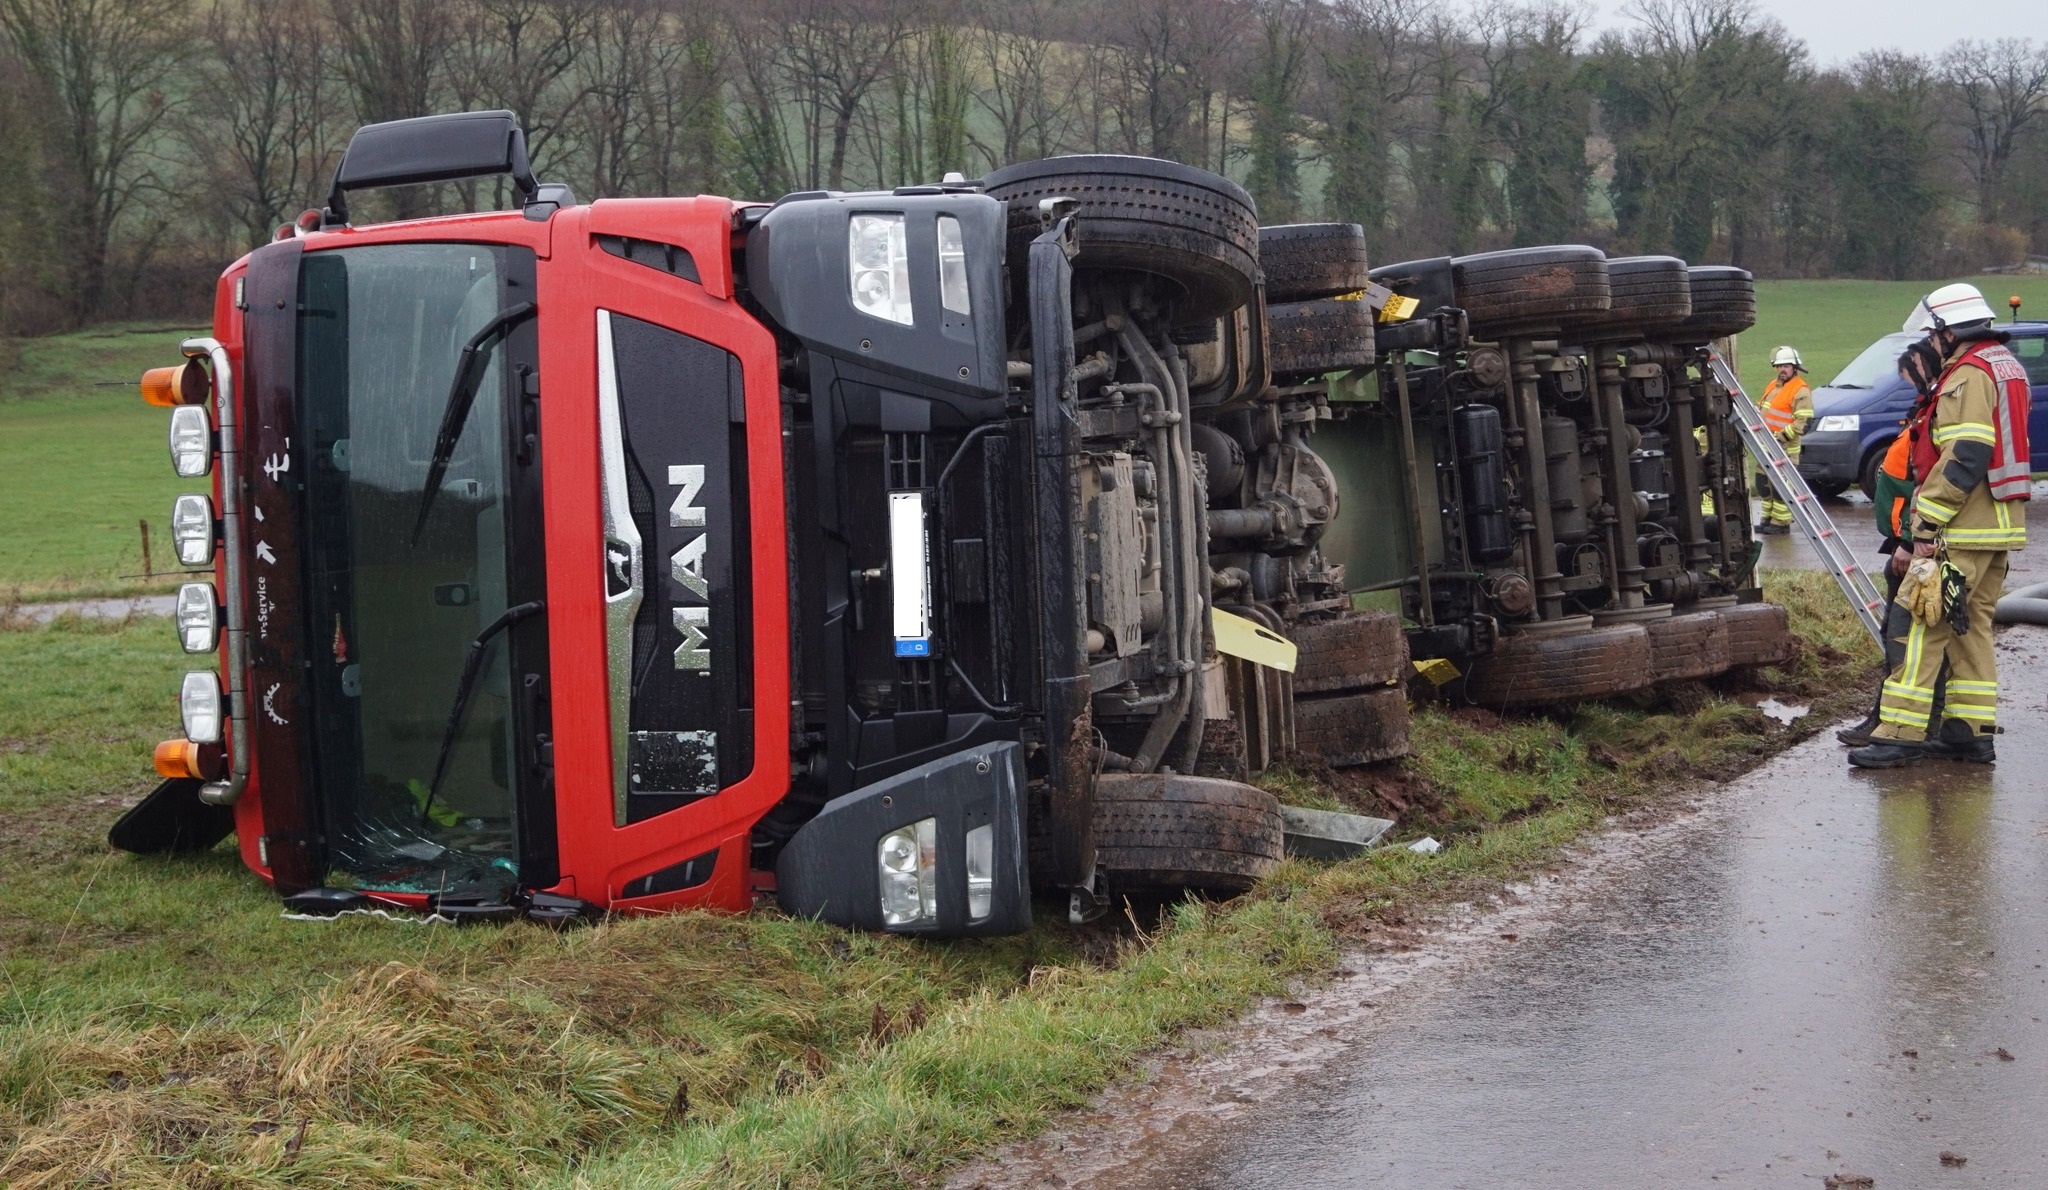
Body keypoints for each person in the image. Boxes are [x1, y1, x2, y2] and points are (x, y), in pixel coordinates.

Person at [1850, 283, 2030, 768]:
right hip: (1996, 526)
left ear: (1949, 331)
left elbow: (1965, 455)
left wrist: (1926, 523)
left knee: (1920, 623)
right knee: (1972, 629)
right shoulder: (2006, 367)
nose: (1931, 344)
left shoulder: (1968, 375)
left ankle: (1898, 735)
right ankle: (1967, 732)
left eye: (1933, 335)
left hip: (1962, 526)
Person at [1837, 338, 1947, 746]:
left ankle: (1896, 724)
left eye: (1912, 376)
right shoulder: (1925, 410)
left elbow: (1929, 484)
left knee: (1904, 635)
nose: (1911, 387)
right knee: (1903, 633)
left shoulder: (1938, 413)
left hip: (1919, 544)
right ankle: (1908, 720)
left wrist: (1908, 540)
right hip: (1909, 539)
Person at [1755, 346, 1813, 534]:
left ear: (1795, 367)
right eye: (1779, 366)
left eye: (1786, 366)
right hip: (1765, 445)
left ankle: (1781, 523)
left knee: (1781, 487)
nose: (1782, 369)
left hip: (1785, 448)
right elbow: (1763, 409)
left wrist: (1780, 437)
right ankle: (1767, 519)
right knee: (1763, 484)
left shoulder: (1800, 390)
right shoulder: (1773, 386)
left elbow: (1803, 422)